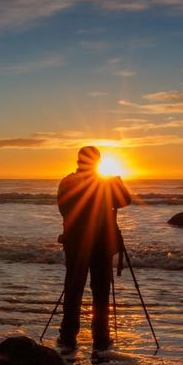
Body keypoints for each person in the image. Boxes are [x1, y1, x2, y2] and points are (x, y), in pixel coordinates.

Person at [56, 146, 131, 351]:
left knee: (73, 288)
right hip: (101, 244)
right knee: (100, 290)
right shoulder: (105, 182)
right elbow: (125, 200)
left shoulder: (67, 182)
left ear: (79, 161)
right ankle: (100, 337)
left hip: (75, 243)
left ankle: (68, 335)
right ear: (97, 161)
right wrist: (117, 183)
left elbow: (63, 208)